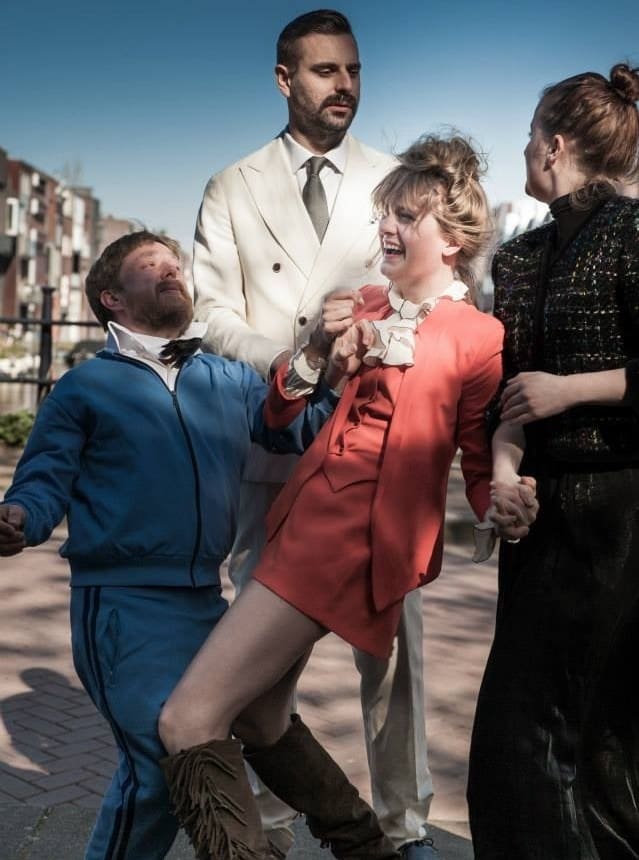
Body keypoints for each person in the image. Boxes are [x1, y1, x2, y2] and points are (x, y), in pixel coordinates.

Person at [158, 134, 538, 860]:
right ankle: (367, 847)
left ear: (452, 240)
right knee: (260, 719)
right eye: (384, 213)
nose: (385, 228)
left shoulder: (479, 336)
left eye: (405, 217)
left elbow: (476, 452)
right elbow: (279, 418)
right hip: (302, 518)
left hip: (350, 540)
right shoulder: (359, 305)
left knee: (187, 719)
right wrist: (313, 352)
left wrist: (503, 503)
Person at [0, 230, 340, 860]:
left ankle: (365, 839)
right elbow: (42, 482)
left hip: (208, 602)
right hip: (121, 607)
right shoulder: (83, 387)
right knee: (157, 764)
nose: (171, 270)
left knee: (214, 741)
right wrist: (18, 517)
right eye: (149, 264)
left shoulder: (229, 379)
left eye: (174, 263)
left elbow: (299, 429)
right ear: (112, 297)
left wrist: (332, 363)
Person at [192, 8, 438, 858]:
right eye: (326, 70)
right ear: (283, 79)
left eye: (354, 70)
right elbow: (210, 312)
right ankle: (269, 822)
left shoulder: (396, 180)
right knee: (259, 647)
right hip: (273, 440)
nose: (345, 86)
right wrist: (292, 360)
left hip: (376, 440)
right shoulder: (232, 185)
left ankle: (405, 825)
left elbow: (430, 290)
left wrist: (375, 346)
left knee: (393, 647)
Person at [466, 63, 639, 859]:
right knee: (517, 735)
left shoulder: (633, 233)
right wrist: (504, 481)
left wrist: (570, 390)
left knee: (594, 733)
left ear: (555, 144)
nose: (523, 149)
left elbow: (548, 390)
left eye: (529, 134)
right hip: (537, 519)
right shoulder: (517, 256)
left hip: (620, 516)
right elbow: (510, 397)